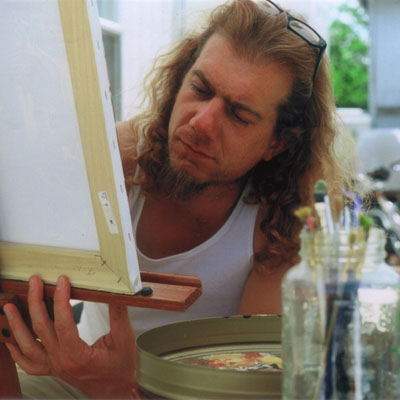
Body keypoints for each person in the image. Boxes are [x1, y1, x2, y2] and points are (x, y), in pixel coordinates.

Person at [4, 0, 351, 398]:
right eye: (200, 89)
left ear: (279, 142)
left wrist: (112, 385)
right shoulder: (115, 161)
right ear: (180, 78)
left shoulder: (285, 225)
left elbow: (249, 389)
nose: (202, 123)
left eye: (239, 115)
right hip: (74, 381)